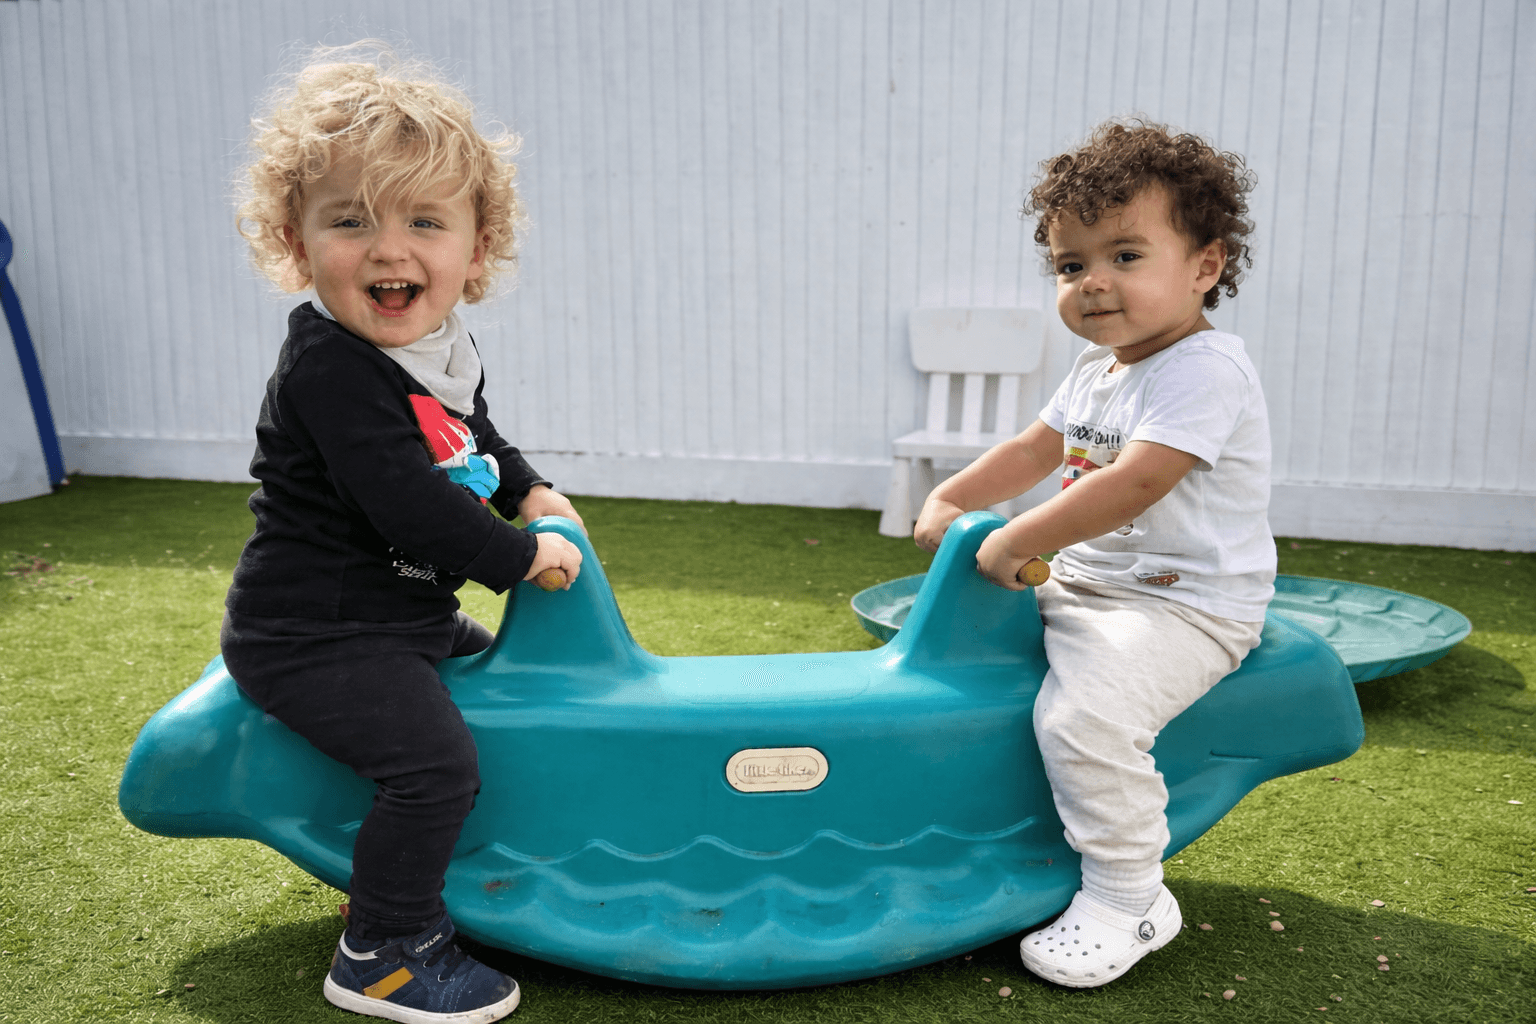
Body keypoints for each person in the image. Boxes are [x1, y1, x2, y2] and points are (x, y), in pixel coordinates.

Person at [222, 42, 582, 1022]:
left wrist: (527, 487)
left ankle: (466, 867)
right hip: (318, 633)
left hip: (398, 617)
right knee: (435, 764)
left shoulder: (439, 346)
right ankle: (383, 945)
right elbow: (408, 499)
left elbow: (473, 438)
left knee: (500, 697)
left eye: (425, 221)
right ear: (298, 245)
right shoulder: (331, 369)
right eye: (350, 221)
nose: (389, 250)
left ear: (476, 247)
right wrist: (516, 556)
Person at [913, 120, 1273, 988]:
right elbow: (1035, 452)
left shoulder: (1205, 367)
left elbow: (1137, 481)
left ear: (1205, 267)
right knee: (955, 652)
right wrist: (956, 496)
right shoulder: (1096, 369)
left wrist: (1016, 536)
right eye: (1073, 267)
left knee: (1085, 719)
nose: (1093, 284)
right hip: (1088, 582)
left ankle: (1129, 895)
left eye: (1125, 256)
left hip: (1182, 603)